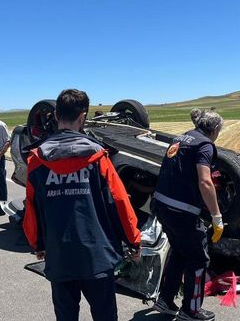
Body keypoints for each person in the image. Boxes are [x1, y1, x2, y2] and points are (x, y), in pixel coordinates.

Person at [23, 89, 141, 321]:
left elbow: (31, 207)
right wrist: (133, 240)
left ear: (56, 115)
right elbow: (119, 202)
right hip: (97, 256)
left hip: (59, 255)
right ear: (83, 117)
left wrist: (37, 243)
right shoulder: (98, 158)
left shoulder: (37, 160)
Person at [151, 109, 224, 321]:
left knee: (180, 252)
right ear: (215, 129)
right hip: (181, 211)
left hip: (162, 205)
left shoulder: (181, 137)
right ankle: (191, 311)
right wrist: (216, 216)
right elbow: (205, 181)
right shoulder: (205, 145)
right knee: (198, 259)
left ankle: (165, 300)